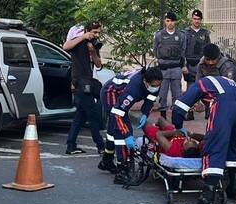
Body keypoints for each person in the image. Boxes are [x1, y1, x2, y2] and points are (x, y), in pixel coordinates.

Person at [172, 75, 236, 204]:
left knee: (214, 145)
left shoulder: (201, 83)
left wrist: (178, 126)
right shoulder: (224, 82)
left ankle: (206, 201)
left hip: (224, 106)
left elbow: (180, 106)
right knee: (233, 145)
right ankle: (234, 189)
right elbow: (215, 98)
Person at [103, 66, 164, 182]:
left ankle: (106, 160)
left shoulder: (155, 83)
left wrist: (145, 113)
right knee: (121, 132)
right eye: (154, 86)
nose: (156, 88)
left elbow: (150, 99)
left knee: (114, 130)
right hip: (111, 93)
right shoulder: (133, 89)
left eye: (158, 85)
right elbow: (117, 114)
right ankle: (121, 171)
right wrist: (127, 135)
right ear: (145, 81)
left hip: (121, 95)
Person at [63, 22, 107, 156]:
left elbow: (99, 64)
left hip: (89, 82)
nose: (96, 35)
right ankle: (101, 146)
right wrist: (83, 38)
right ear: (87, 31)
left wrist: (93, 52)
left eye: (98, 33)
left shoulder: (93, 44)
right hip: (80, 83)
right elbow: (66, 47)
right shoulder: (77, 42)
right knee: (93, 116)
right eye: (94, 32)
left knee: (80, 116)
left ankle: (71, 145)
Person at [153, 12, 187, 120]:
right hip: (163, 68)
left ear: (176, 22)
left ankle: (176, 116)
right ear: (164, 21)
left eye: (172, 21)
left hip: (176, 68)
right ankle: (163, 117)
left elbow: (183, 51)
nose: (170, 23)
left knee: (177, 94)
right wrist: (161, 61)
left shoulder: (181, 36)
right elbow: (155, 50)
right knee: (162, 93)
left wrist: (183, 65)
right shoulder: (159, 35)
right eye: (168, 21)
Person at [181, 9, 210, 121]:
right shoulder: (185, 33)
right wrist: (183, 65)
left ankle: (208, 110)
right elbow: (182, 50)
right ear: (191, 19)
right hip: (190, 65)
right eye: (194, 19)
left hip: (202, 65)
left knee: (205, 88)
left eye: (198, 19)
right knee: (191, 89)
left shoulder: (205, 33)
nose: (196, 21)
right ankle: (190, 112)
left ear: (201, 20)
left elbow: (208, 49)